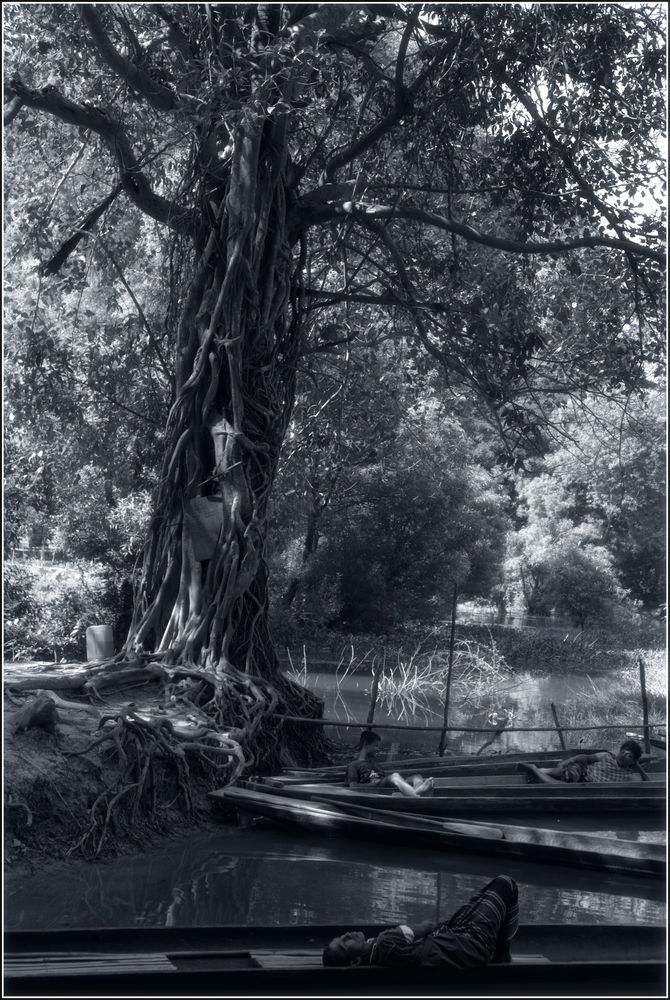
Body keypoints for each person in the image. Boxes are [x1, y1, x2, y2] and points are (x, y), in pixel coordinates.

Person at [323, 874, 519, 968]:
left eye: (341, 937)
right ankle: (502, 955)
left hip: (457, 942)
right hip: (471, 944)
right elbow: (426, 927)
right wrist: (449, 923)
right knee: (505, 883)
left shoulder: (379, 952)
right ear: (356, 961)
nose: (347, 934)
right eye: (345, 943)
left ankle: (499, 951)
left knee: (478, 899)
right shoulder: (385, 942)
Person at [518, 738, 649, 784]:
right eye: (623, 751)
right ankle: (535, 769)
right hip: (581, 771)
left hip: (584, 784)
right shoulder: (607, 756)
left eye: (629, 755)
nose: (624, 754)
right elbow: (584, 758)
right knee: (565, 776)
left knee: (559, 784)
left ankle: (533, 769)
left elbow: (647, 782)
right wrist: (566, 762)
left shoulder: (627, 776)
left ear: (632, 762)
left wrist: (636, 764)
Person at [345, 729, 433, 797]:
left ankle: (417, 790)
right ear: (366, 745)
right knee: (394, 776)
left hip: (384, 786)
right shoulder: (354, 765)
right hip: (374, 787)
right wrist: (374, 784)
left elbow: (384, 782)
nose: (378, 749)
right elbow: (353, 786)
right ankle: (415, 794)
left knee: (416, 776)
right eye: (375, 746)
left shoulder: (376, 764)